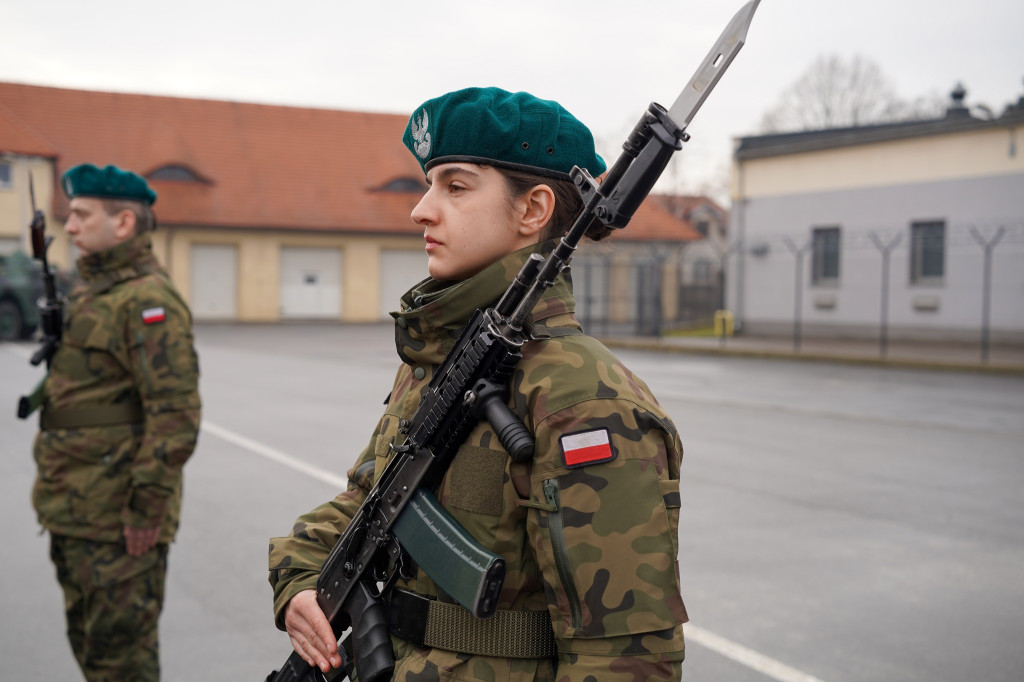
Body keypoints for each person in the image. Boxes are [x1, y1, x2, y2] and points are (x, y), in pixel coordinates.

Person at [269, 87, 686, 681]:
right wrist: (301, 578)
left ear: (533, 211)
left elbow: (625, 660)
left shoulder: (584, 401)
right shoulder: (446, 358)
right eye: (429, 183)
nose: (421, 209)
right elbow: (369, 499)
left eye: (455, 187)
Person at [32, 163, 201, 681]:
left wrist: (144, 510)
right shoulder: (91, 290)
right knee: (90, 647)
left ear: (124, 223)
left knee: (121, 663)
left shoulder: (147, 300)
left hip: (116, 518)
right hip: (73, 504)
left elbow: (175, 415)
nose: (71, 227)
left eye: (82, 215)